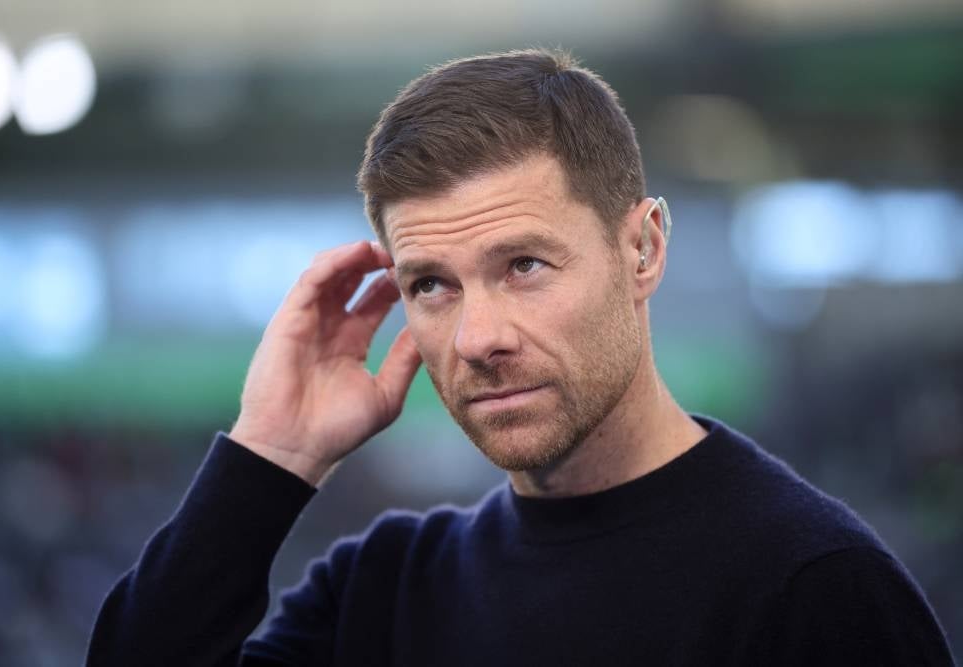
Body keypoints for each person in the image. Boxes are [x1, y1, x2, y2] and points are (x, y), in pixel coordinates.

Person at [86, 49, 955, 666]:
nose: (478, 337)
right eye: (431, 284)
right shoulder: (383, 593)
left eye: (524, 265)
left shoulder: (813, 589)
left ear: (643, 249)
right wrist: (270, 456)